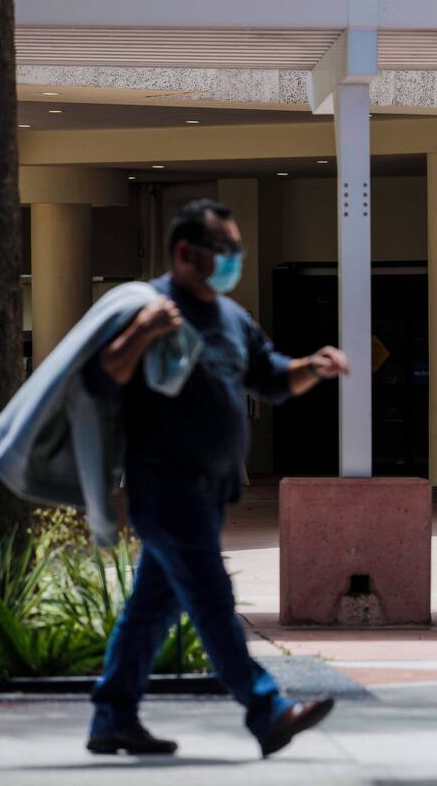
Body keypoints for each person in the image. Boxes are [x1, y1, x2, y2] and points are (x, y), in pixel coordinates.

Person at [84, 199, 350, 757]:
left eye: (237, 249)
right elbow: (101, 377)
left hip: (210, 491)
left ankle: (112, 718)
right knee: (211, 600)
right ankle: (267, 710)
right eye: (223, 249)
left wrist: (313, 366)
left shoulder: (231, 317)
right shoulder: (147, 307)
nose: (234, 259)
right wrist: (143, 332)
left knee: (150, 610)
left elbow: (269, 378)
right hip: (164, 488)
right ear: (186, 252)